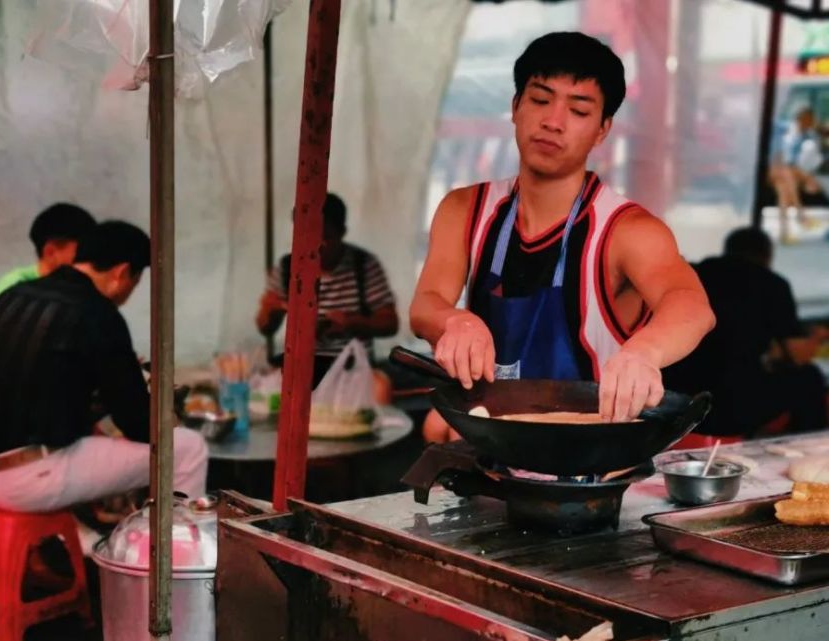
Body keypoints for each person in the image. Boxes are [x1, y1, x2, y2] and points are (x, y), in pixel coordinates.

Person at [410, 32, 714, 430]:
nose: (553, 122)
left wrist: (644, 352)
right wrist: (454, 322)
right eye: (539, 100)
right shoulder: (464, 210)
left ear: (603, 130)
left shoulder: (627, 230)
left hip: (590, 460)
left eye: (579, 110)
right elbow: (425, 304)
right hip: (492, 442)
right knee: (437, 427)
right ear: (516, 107)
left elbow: (692, 306)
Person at [0, 221, 208, 514]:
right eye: (134, 283)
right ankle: (179, 553)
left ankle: (82, 539)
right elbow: (140, 425)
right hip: (24, 482)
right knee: (188, 448)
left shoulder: (11, 295)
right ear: (122, 273)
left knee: (85, 443)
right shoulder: (98, 314)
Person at [664, 227, 829, 436]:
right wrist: (817, 337)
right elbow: (796, 355)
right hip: (730, 406)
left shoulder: (694, 273)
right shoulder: (772, 284)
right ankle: (805, 452)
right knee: (810, 378)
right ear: (767, 255)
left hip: (677, 400)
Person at [255, 193, 400, 387]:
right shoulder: (288, 268)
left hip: (352, 371)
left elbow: (390, 323)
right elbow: (265, 327)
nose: (316, 246)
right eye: (307, 237)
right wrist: (275, 310)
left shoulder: (363, 265)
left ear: (342, 232)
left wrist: (352, 322)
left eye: (325, 238)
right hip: (301, 370)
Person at [0, 203, 97, 303]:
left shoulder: (84, 290)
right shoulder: (13, 291)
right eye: (82, 254)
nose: (89, 263)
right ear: (50, 252)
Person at [768, 107, 825, 244]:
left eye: (811, 122)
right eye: (807, 121)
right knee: (786, 175)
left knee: (784, 194)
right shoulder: (784, 128)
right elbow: (777, 150)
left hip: (789, 172)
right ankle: (801, 215)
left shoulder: (809, 136)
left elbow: (808, 158)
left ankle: (785, 233)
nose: (809, 125)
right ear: (801, 119)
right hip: (774, 167)